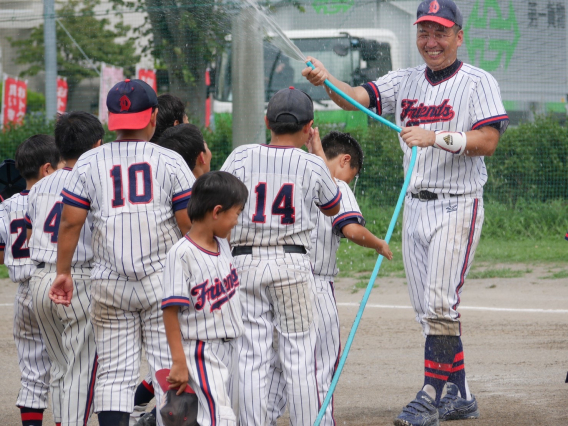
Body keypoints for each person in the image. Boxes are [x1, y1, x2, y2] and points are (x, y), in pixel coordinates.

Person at [302, 1, 509, 425]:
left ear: (458, 36)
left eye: (440, 32)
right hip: (415, 208)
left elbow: (487, 140)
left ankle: (431, 395)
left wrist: (436, 137)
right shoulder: (405, 79)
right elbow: (356, 99)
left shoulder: (478, 82)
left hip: (458, 202)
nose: (431, 42)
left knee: (439, 303)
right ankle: (461, 393)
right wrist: (327, 81)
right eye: (424, 32)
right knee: (429, 311)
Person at [48, 79, 195, 426]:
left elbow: (70, 223)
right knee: (168, 365)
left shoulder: (88, 163)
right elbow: (189, 223)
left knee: (114, 372)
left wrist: (63, 271)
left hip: (109, 282)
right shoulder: (169, 160)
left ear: (111, 119)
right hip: (163, 280)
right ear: (153, 117)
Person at [221, 87, 341, 425]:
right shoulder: (310, 163)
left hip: (244, 262)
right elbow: (332, 206)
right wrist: (316, 152)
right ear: (308, 127)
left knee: (251, 356)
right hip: (292, 264)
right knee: (299, 356)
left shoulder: (241, 156)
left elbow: (222, 195)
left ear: (267, 122)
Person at [266, 131, 393, 425]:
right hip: (315, 286)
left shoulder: (285, 179)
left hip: (274, 279)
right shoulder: (335, 186)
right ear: (344, 160)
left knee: (274, 370)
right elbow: (350, 229)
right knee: (320, 369)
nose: (349, 180)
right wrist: (377, 243)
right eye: (352, 173)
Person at [132, 122, 212, 426]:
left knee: (171, 360)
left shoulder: (156, 186)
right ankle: (161, 415)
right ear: (201, 156)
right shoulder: (200, 197)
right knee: (182, 360)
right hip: (183, 288)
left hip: (157, 284)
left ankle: (150, 411)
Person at [26, 112, 103, 426]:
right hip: (75, 279)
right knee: (81, 371)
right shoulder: (92, 180)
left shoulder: (42, 185)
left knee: (60, 368)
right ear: (97, 145)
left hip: (40, 278)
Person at [161, 171, 249, 426]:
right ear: (217, 211)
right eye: (237, 212)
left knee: (221, 413)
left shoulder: (221, 244)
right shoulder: (181, 254)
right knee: (221, 419)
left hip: (230, 346)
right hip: (201, 349)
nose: (236, 220)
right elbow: (170, 311)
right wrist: (179, 361)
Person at [0, 135, 60, 426]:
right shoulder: (59, 200)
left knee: (32, 372)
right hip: (52, 284)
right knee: (64, 367)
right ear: (48, 169)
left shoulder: (8, 205)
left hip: (24, 293)